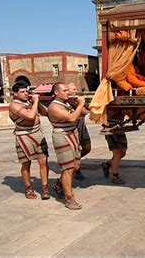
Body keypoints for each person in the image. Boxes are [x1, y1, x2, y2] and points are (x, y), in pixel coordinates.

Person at [9, 82, 50, 200]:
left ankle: (45, 187)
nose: (25, 93)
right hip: (24, 136)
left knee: (43, 161)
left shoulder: (29, 102)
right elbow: (30, 116)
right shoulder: (13, 105)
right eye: (22, 92)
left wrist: (36, 100)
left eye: (26, 91)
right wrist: (35, 102)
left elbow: (45, 112)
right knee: (26, 163)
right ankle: (28, 188)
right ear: (15, 93)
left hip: (37, 133)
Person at [48, 82, 86, 210]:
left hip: (72, 135)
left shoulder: (67, 103)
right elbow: (71, 118)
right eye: (64, 91)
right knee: (67, 168)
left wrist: (78, 104)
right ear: (56, 93)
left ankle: (59, 185)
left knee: (75, 166)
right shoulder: (54, 106)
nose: (68, 92)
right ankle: (69, 198)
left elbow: (85, 112)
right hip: (62, 136)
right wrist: (80, 105)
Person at [68, 83, 91, 181]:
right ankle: (75, 169)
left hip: (82, 126)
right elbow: (84, 112)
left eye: (75, 89)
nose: (75, 91)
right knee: (75, 150)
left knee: (87, 147)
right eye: (73, 89)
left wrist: (81, 103)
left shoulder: (77, 100)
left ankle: (74, 162)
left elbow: (87, 110)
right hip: (73, 129)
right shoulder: (67, 102)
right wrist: (79, 104)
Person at [101, 110, 128, 184]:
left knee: (123, 152)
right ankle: (115, 177)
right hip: (111, 127)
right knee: (117, 152)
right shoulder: (109, 102)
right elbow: (104, 116)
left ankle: (107, 165)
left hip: (119, 127)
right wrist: (115, 111)